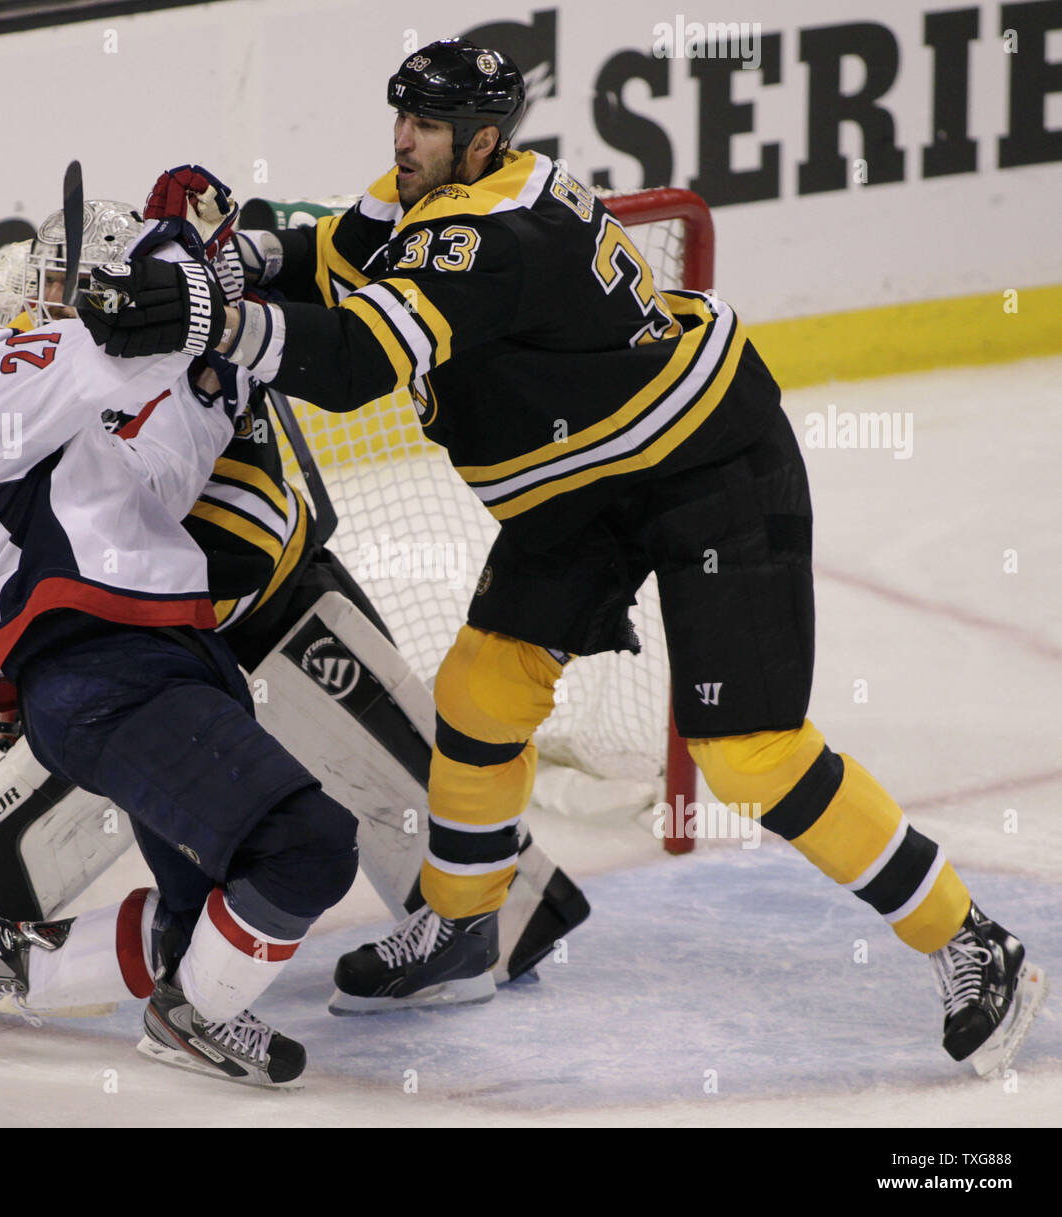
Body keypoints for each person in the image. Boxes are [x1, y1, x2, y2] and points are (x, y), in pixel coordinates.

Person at [77, 39, 1048, 1074]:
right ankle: (463, 930)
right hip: (584, 488)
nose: (403, 140)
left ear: (481, 140)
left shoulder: (487, 240)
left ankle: (967, 936)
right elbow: (335, 250)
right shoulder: (448, 189)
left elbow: (358, 360)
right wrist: (244, 257)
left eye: (427, 127)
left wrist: (210, 317)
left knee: (747, 752)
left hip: (707, 469)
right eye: (400, 117)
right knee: (483, 689)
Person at [0, 200, 591, 1016]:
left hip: (243, 622)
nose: (53, 295)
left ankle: (439, 936)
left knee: (462, 893)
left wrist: (230, 270)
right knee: (136, 824)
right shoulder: (30, 364)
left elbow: (181, 461)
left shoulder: (186, 339)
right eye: (57, 280)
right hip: (135, 652)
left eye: (77, 281)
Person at [0, 237, 361, 1088]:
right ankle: (192, 1017)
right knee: (311, 846)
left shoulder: (17, 395)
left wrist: (211, 386)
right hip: (103, 671)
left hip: (166, 652)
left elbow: (153, 482)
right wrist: (174, 283)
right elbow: (101, 357)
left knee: (199, 917)